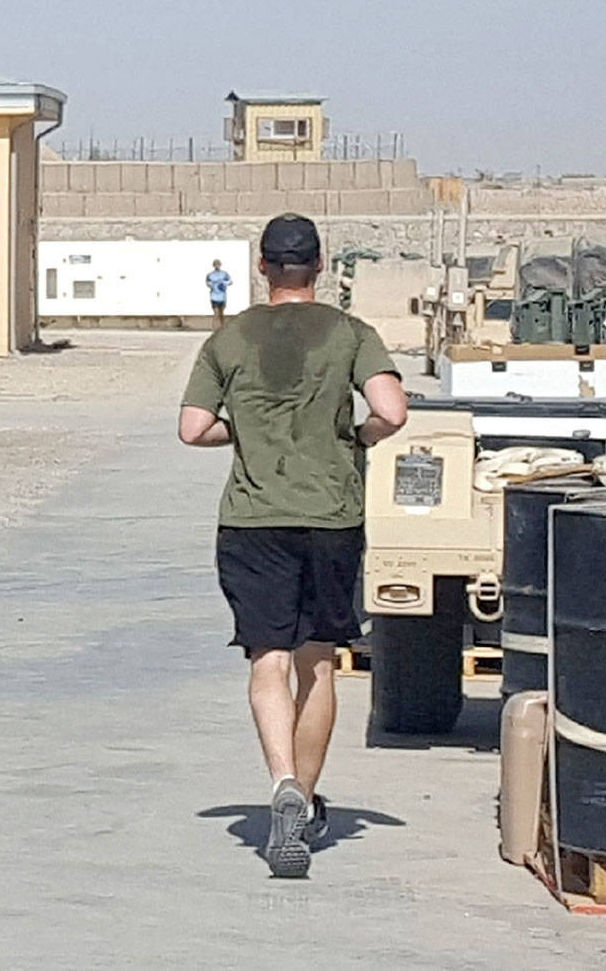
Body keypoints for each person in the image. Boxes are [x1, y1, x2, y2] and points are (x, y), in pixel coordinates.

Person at [178, 214, 408, 877]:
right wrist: (356, 437)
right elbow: (391, 410)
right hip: (331, 515)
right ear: (320, 264)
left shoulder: (230, 337)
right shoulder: (352, 334)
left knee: (267, 660)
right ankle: (302, 801)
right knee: (319, 664)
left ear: (262, 266)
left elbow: (193, 428)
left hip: (253, 518)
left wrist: (242, 435)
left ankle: (280, 780)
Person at [205, 259, 233, 329]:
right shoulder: (210, 275)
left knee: (221, 313)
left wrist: (223, 283)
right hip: (214, 296)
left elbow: (230, 282)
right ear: (213, 265)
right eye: (215, 264)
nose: (217, 266)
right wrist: (214, 284)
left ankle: (222, 328)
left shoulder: (224, 274)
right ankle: (214, 328)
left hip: (222, 296)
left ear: (220, 265)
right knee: (216, 313)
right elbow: (208, 284)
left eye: (218, 264)